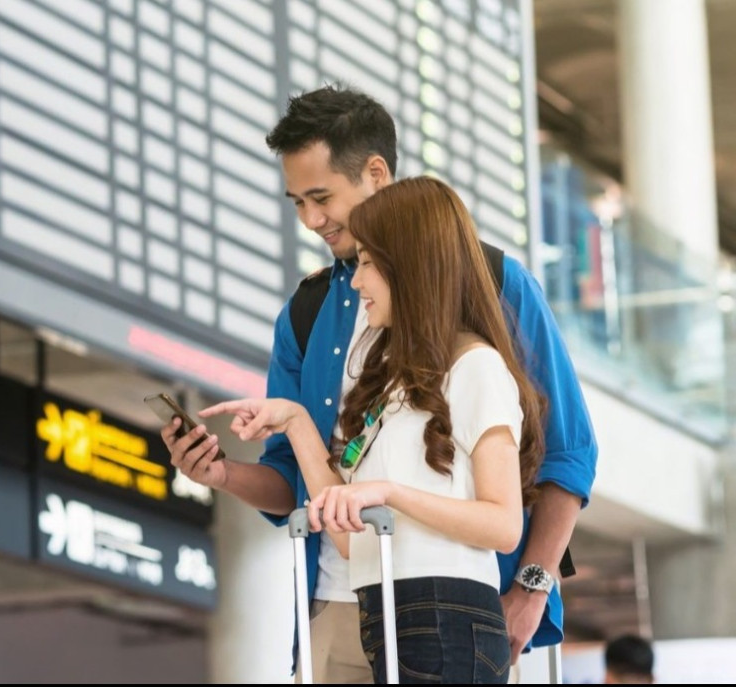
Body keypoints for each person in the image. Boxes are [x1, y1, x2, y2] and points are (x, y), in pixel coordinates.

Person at [162, 85, 597, 681]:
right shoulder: (306, 313)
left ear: (375, 172)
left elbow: (566, 452)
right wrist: (223, 474)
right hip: (341, 600)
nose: (311, 220)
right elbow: (303, 482)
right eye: (296, 203)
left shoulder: (491, 282)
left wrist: (530, 590)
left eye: (321, 197)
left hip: (466, 604)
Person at [203, 176, 545, 683]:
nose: (356, 281)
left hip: (447, 619)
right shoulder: (389, 388)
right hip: (383, 609)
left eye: (367, 263)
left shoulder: (477, 366)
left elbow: (503, 524)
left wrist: (389, 493)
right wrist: (295, 422)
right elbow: (348, 541)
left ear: (408, 264)